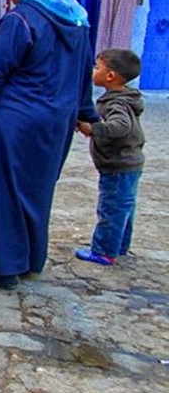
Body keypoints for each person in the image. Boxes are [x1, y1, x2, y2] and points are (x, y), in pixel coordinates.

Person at [0, 0, 97, 290]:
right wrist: (86, 114)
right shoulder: (77, 18)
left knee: (6, 190)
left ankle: (6, 268)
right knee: (39, 190)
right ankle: (31, 260)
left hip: (16, 119)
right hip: (57, 122)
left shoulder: (21, 18)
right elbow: (84, 71)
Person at [74, 49, 145, 266]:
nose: (93, 71)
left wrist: (93, 129)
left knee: (112, 207)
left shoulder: (116, 103)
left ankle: (104, 250)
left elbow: (120, 126)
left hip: (119, 164)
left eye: (97, 68)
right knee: (124, 207)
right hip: (129, 163)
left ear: (110, 76)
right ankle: (120, 245)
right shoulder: (124, 98)